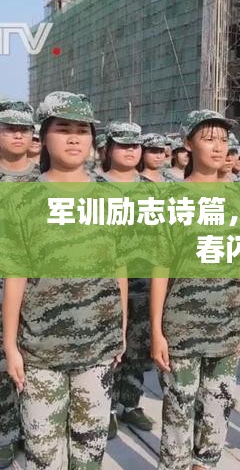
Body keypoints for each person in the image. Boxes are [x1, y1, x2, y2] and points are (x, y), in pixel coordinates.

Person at [2, 91, 128, 469]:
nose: (74, 139)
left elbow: (119, 267)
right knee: (43, 454)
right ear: (44, 137)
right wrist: (10, 345)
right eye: (63, 129)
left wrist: (121, 327)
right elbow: (15, 274)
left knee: (89, 452)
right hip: (41, 349)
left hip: (98, 346)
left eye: (82, 130)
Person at [150, 110, 240, 470]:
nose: (218, 146)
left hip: (226, 322)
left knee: (217, 408)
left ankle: (205, 463)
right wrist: (156, 330)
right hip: (183, 325)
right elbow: (160, 268)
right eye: (209, 139)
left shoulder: (238, 197)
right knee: (179, 410)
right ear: (187, 144)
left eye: (223, 139)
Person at [99, 121, 157, 438]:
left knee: (138, 349)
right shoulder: (94, 186)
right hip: (107, 287)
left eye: (135, 145)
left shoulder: (151, 189)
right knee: (110, 349)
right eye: (123, 144)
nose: (130, 150)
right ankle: (105, 408)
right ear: (109, 148)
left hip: (144, 284)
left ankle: (130, 404)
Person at [0, 100, 38, 469]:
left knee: (31, 363)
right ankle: (5, 436)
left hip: (36, 291)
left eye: (24, 129)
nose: (17, 135)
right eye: (10, 128)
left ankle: (30, 430)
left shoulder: (46, 179)